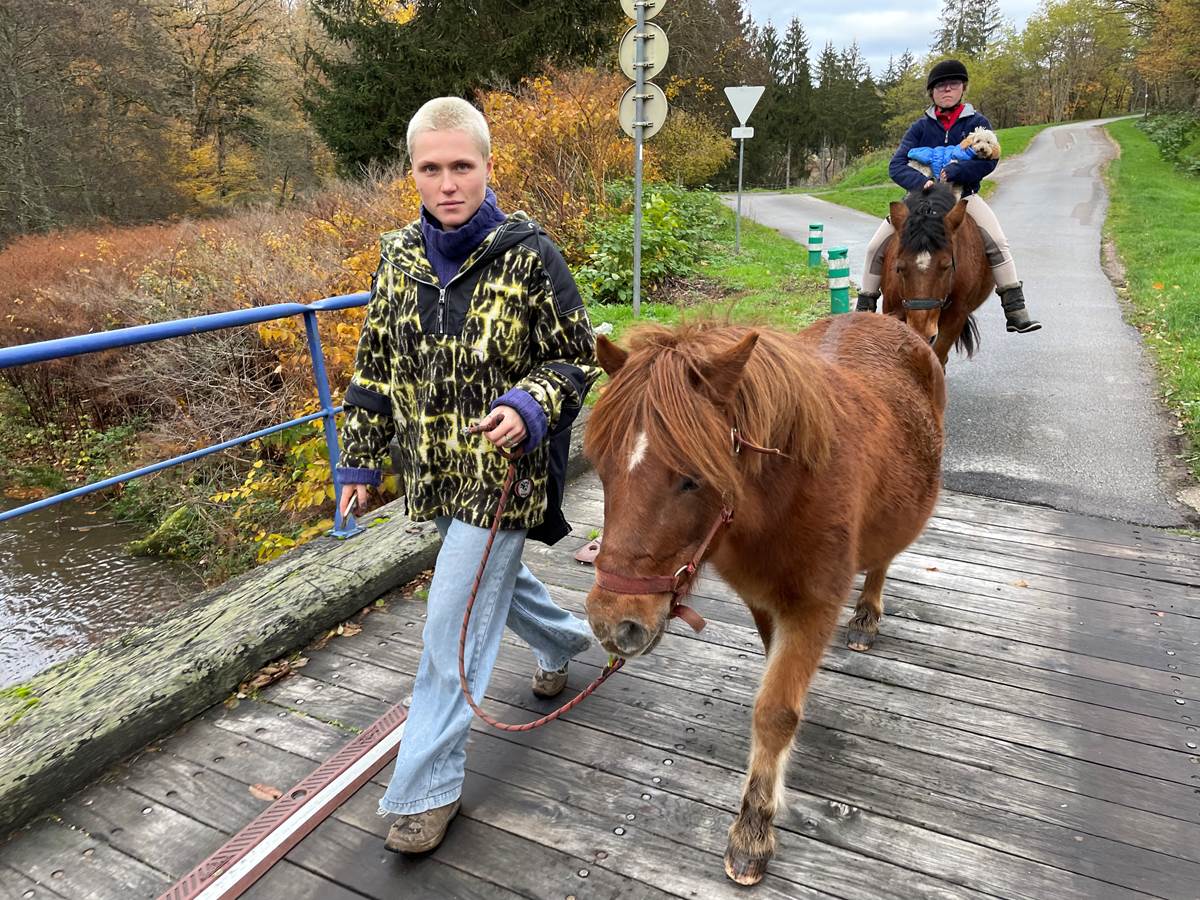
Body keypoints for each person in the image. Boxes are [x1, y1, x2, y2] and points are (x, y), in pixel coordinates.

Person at [335, 96, 599, 854]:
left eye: (462, 166)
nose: (448, 183)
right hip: (434, 474)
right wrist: (359, 457)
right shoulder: (399, 258)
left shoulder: (529, 254)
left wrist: (530, 403)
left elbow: (576, 354)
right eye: (431, 168)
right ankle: (564, 645)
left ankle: (426, 791)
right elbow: (375, 367)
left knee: (449, 627)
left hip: (502, 480)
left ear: (487, 167)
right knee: (492, 587)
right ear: (411, 172)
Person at [855, 59, 1042, 333]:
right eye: (940, 86)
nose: (946, 90)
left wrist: (957, 171)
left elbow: (990, 158)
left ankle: (1015, 308)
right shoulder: (919, 128)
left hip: (963, 195)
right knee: (875, 246)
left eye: (953, 85)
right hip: (920, 197)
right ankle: (865, 306)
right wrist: (923, 182)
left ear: (962, 88)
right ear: (932, 92)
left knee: (997, 242)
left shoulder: (978, 123)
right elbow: (895, 165)